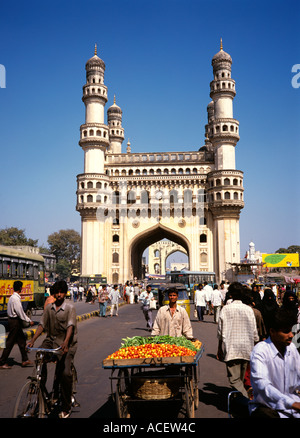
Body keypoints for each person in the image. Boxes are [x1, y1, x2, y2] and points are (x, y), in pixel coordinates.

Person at [27, 280, 77, 418]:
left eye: (62, 292)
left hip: (67, 342)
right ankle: (39, 383)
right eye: (57, 292)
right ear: (54, 294)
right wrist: (33, 340)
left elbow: (70, 326)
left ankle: (66, 406)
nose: (59, 295)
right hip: (51, 340)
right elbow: (42, 325)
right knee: (40, 355)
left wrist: (66, 343)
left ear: (65, 293)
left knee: (65, 373)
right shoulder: (49, 308)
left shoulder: (69, 308)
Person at [249, 307, 300, 418]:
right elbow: (263, 385)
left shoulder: (292, 348)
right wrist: (291, 403)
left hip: (294, 408)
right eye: (286, 331)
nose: (291, 335)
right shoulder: (260, 351)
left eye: (291, 331)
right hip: (268, 408)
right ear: (272, 331)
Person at [217, 282, 259, 398]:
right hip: (247, 348)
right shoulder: (249, 310)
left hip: (232, 349)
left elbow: (220, 332)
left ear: (230, 295)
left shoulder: (226, 309)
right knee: (241, 378)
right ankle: (241, 401)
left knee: (234, 380)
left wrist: (219, 348)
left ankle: (247, 399)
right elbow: (254, 332)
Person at [0, 281, 34, 369]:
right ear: (20, 288)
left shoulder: (12, 297)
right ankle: (2, 362)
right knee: (10, 342)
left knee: (21, 340)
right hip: (15, 322)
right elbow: (20, 312)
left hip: (14, 321)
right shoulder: (15, 299)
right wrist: (28, 320)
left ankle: (25, 360)